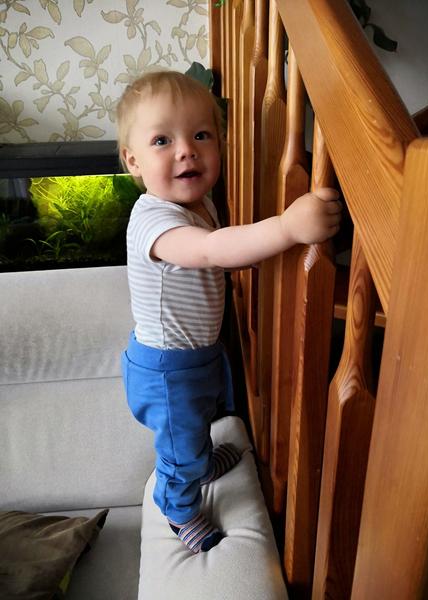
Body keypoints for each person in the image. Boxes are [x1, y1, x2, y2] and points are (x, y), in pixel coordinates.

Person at [117, 70, 341, 554]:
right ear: (132, 160)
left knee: (197, 425)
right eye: (162, 140)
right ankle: (178, 509)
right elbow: (212, 249)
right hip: (166, 369)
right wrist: (287, 228)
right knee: (179, 448)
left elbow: (221, 253)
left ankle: (200, 462)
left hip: (193, 357)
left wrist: (258, 253)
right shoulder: (153, 218)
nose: (186, 150)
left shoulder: (198, 204)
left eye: (201, 135)